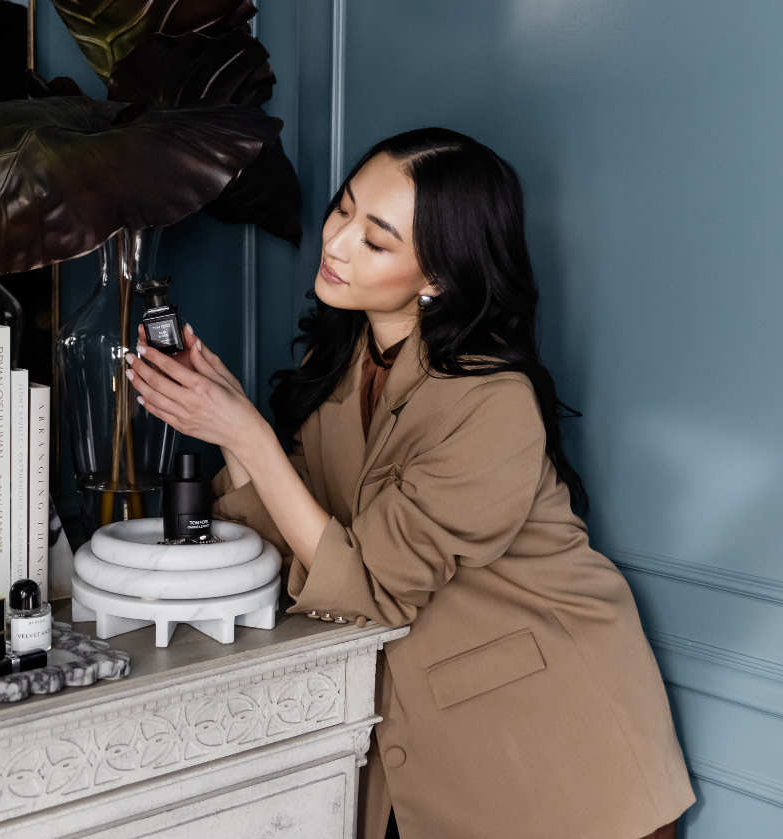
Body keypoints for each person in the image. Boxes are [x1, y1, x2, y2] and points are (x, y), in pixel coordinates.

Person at [124, 128, 694, 839]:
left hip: (565, 766)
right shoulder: (346, 367)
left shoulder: (493, 400)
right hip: (434, 765)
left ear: (438, 277)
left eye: (377, 238)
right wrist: (229, 422)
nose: (335, 242)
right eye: (344, 209)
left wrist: (247, 434)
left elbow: (365, 584)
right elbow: (300, 544)